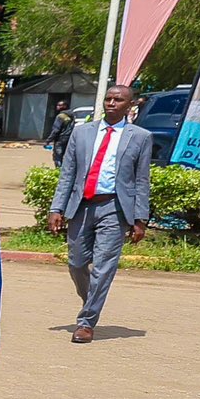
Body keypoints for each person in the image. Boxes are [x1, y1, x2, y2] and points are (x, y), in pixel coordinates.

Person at [50, 83, 153, 343]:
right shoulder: (82, 133)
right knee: (76, 263)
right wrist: (57, 208)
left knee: (103, 268)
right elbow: (68, 174)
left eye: (118, 100)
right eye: (108, 98)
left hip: (114, 208)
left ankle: (86, 322)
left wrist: (140, 219)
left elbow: (142, 180)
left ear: (129, 105)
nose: (111, 103)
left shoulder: (139, 137)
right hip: (82, 205)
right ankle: (92, 298)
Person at [48, 98, 77, 167]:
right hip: (69, 138)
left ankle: (59, 171)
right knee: (67, 156)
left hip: (60, 139)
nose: (57, 106)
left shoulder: (60, 116)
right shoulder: (72, 115)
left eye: (59, 105)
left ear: (64, 106)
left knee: (58, 156)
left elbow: (56, 130)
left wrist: (49, 140)